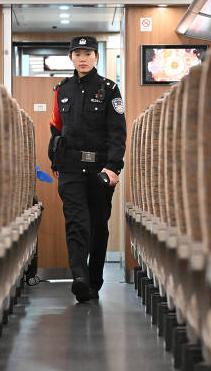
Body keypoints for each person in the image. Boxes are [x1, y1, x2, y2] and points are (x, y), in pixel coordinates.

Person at [48, 35, 126, 302]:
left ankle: (94, 280)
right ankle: (79, 277)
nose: (82, 58)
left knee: (98, 227)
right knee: (76, 223)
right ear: (71, 57)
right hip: (69, 167)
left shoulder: (109, 89)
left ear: (96, 57)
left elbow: (117, 132)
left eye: (88, 54)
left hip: (100, 170)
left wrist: (114, 167)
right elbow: (56, 127)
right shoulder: (62, 89)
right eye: (77, 54)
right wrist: (55, 160)